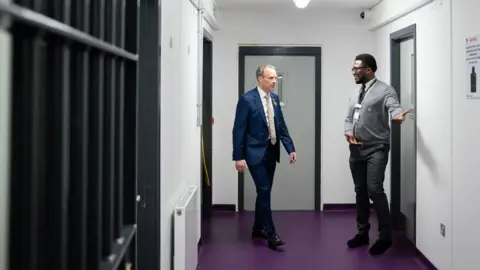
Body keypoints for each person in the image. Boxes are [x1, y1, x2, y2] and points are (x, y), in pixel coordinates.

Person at [344, 54, 412, 255]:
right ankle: (362, 233)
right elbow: (349, 117)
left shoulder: (385, 90)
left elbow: (394, 107)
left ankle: (385, 237)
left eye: (357, 68)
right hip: (356, 148)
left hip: (377, 147)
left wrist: (398, 116)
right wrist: (348, 132)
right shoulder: (356, 91)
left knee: (375, 189)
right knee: (360, 190)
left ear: (369, 70)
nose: (354, 71)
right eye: (353, 68)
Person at [232, 64, 297, 250]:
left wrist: (290, 148)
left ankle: (257, 228)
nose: (274, 82)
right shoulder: (247, 99)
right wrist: (238, 157)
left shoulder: (274, 99)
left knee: (264, 191)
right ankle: (271, 234)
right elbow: (238, 130)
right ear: (260, 79)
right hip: (254, 153)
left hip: (271, 151)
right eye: (270, 78)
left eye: (275, 78)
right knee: (264, 189)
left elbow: (281, 126)